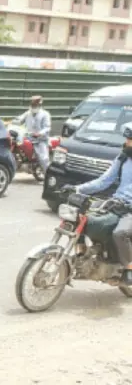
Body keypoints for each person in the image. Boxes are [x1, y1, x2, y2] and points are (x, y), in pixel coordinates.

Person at [67, 123, 132, 286]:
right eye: (127, 138)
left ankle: (130, 269)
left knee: (120, 233)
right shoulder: (123, 157)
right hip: (116, 203)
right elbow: (104, 181)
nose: (127, 142)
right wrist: (78, 189)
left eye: (130, 139)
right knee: (79, 215)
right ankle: (81, 253)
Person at [17, 95, 51, 174]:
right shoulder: (28, 113)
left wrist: (39, 133)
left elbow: (47, 128)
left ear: (39, 105)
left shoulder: (45, 114)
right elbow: (19, 120)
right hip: (28, 138)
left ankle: (48, 176)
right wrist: (11, 121)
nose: (33, 107)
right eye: (32, 105)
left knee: (43, 159)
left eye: (35, 105)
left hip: (40, 140)